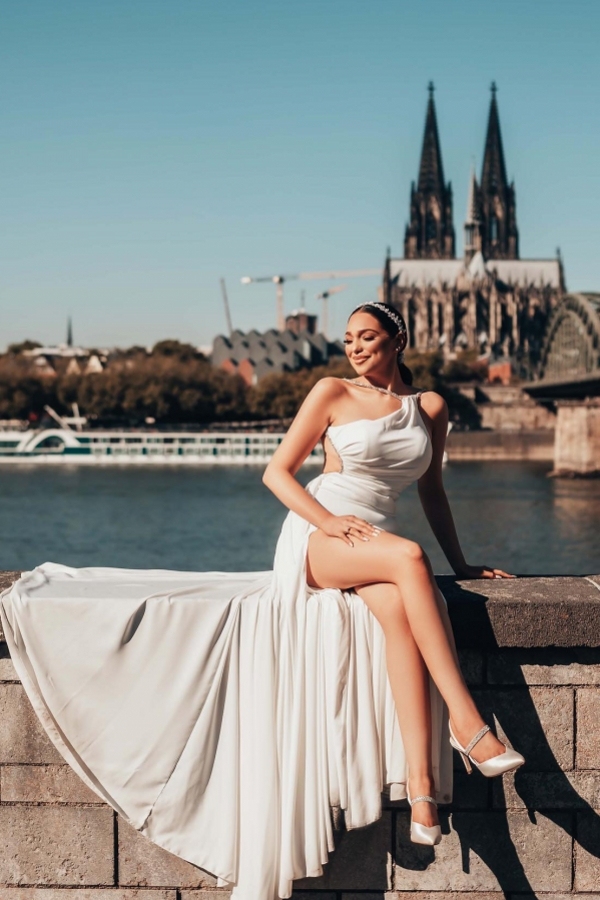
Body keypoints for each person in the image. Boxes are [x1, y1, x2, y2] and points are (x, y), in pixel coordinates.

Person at [0, 302, 524, 900]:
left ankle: (424, 794)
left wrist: (462, 564)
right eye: (348, 338)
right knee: (409, 561)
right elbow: (278, 473)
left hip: (380, 540)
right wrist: (327, 522)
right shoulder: (330, 391)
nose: (355, 348)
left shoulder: (429, 407)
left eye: (368, 338)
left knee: (403, 615)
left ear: (398, 340)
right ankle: (468, 724)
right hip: (324, 534)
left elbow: (432, 490)